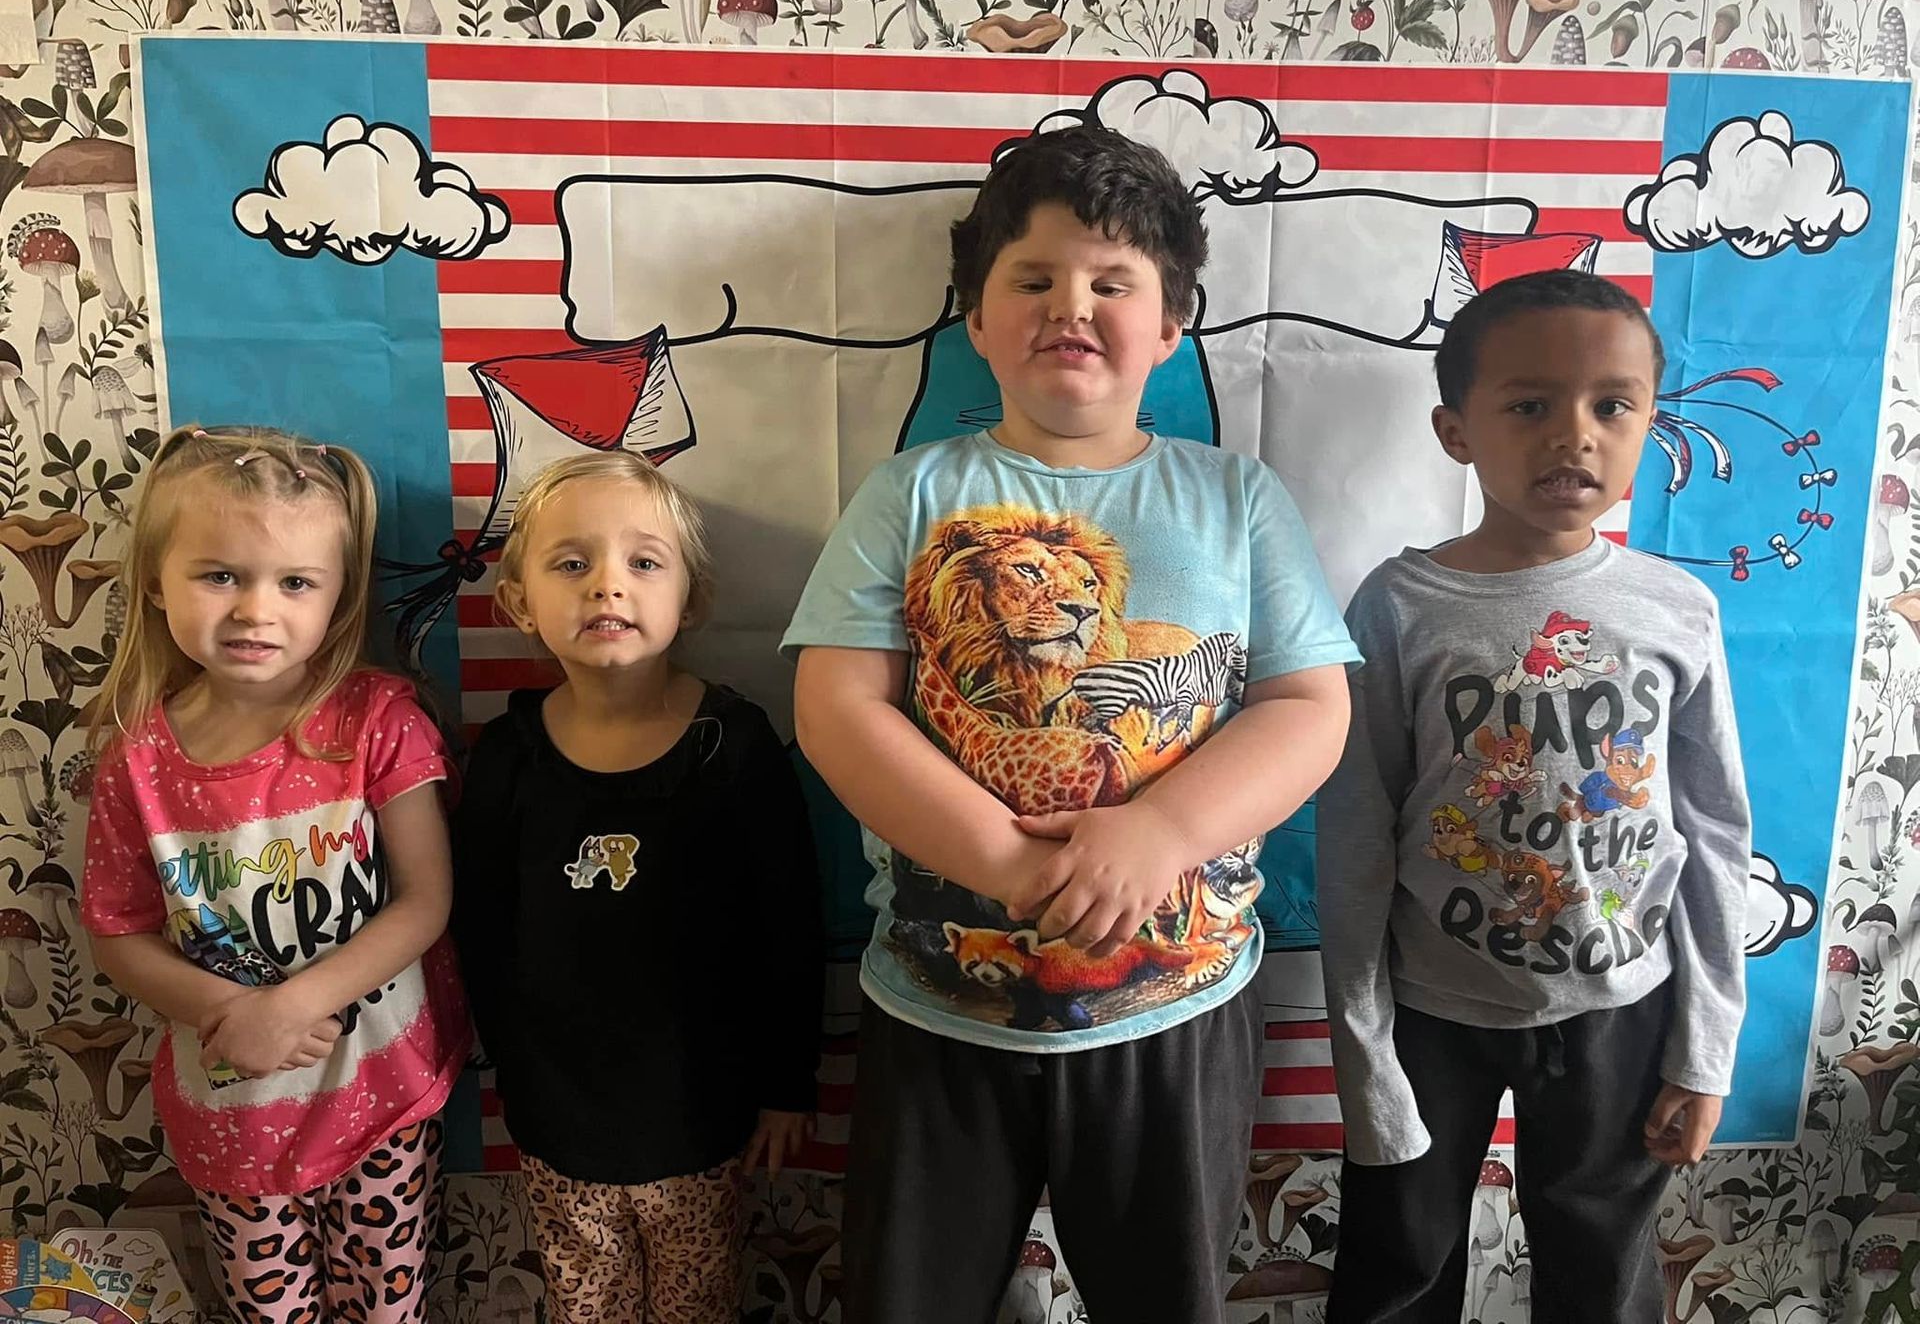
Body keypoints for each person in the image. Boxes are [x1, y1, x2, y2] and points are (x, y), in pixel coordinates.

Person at [783, 123, 1358, 1324]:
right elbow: (839, 706)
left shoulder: (1238, 498)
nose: (1072, 307)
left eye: (1114, 282)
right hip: (940, 1005)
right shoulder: (912, 493)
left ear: (1172, 324)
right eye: (1032, 280)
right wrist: (999, 861)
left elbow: (1309, 710)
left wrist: (1157, 836)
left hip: (1179, 1008)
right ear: (976, 320)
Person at [1318, 269, 1753, 1322]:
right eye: (1529, 405)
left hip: (1622, 1009)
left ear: (1651, 420)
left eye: (1613, 405)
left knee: (1601, 1271)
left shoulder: (1675, 608)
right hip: (1432, 1010)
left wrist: (1706, 1048)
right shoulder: (1399, 604)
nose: (1575, 435)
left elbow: (1712, 832)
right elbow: (1356, 835)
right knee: (1399, 1264)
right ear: (1457, 429)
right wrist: (1365, 1051)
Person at [80, 423, 469, 1324]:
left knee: (385, 1311)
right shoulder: (135, 758)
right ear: (156, 580)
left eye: (295, 583)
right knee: (270, 1313)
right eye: (221, 575)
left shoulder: (379, 722)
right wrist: (230, 1015)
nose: (257, 610)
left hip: (380, 1092)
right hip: (231, 1104)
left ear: (338, 599)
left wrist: (292, 1005)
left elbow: (425, 900)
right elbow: (116, 931)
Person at [451, 451, 822, 1324]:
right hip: (556, 1118)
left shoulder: (732, 744)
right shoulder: (507, 758)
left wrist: (788, 1084)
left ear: (688, 600)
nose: (607, 587)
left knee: (695, 1306)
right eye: (572, 564)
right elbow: (482, 928)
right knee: (589, 1303)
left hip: (705, 1113)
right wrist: (512, 1069)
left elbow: (790, 918)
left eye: (643, 563)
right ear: (518, 604)